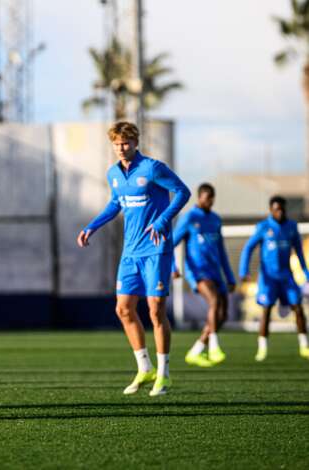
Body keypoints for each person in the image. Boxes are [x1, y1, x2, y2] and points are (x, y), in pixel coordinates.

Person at [77, 121, 189, 396]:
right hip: (130, 253)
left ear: (136, 142)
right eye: (116, 144)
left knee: (155, 310)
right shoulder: (113, 173)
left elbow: (183, 192)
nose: (121, 148)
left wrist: (162, 221)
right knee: (123, 309)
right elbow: (116, 203)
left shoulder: (152, 168)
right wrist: (92, 226)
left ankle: (164, 374)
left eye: (125, 143)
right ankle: (144, 367)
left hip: (156, 251)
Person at [238, 195, 309, 361]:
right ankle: (262, 348)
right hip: (268, 278)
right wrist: (243, 271)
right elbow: (248, 248)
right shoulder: (263, 227)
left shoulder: (291, 227)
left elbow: (299, 251)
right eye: (277, 209)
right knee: (267, 310)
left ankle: (304, 345)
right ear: (271, 210)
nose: (280, 212)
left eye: (282, 209)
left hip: (287, 276)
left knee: (298, 308)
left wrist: (306, 273)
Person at [172, 183, 235, 367]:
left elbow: (221, 251)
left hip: (215, 271)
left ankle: (196, 351)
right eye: (207, 198)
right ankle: (214, 347)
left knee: (222, 315)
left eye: (212, 199)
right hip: (198, 271)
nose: (210, 202)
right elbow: (171, 243)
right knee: (214, 301)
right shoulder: (189, 217)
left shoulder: (215, 219)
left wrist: (230, 277)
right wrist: (173, 267)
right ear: (199, 197)